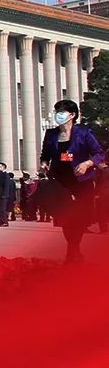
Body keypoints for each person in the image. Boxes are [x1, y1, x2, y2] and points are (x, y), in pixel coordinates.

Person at [40, 98, 106, 263]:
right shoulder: (51, 134)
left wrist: (87, 163)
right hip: (61, 182)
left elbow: (99, 154)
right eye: (57, 111)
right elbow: (45, 154)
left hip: (81, 181)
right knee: (65, 218)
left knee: (80, 217)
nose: (58, 115)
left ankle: (73, 249)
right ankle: (73, 249)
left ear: (72, 115)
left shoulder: (84, 133)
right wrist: (44, 163)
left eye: (62, 112)